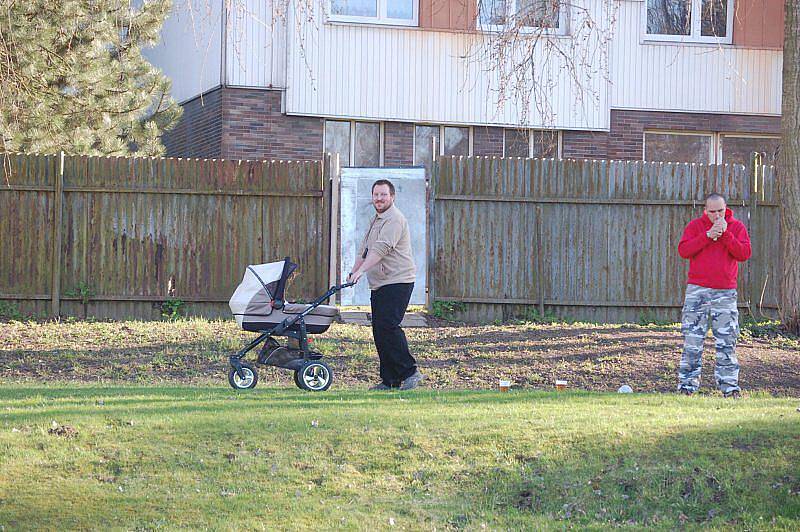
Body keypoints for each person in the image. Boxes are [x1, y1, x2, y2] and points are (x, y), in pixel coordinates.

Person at [347, 179, 424, 391]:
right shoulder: (377, 219)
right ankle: (390, 380)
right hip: (380, 283)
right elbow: (365, 251)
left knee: (389, 326)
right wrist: (355, 270)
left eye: (383, 195)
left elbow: (381, 250)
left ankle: (410, 372)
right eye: (376, 195)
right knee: (380, 330)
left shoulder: (394, 220)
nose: (379, 198)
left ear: (392, 197)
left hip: (397, 281)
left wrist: (361, 271)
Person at [677, 193, 751, 398]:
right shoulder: (695, 226)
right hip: (697, 291)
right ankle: (687, 387)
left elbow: (744, 254)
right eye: (713, 212)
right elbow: (684, 251)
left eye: (721, 211)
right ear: (705, 211)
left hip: (725, 292)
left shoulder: (736, 227)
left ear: (726, 208)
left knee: (727, 341)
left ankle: (730, 388)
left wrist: (726, 235)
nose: (718, 215)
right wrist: (708, 235)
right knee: (692, 340)